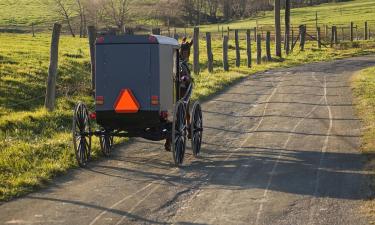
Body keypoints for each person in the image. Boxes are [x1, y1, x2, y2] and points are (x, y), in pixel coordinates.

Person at [164, 37, 194, 152]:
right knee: (184, 102)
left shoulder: (167, 63)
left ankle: (168, 140)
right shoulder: (183, 67)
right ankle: (189, 125)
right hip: (179, 88)